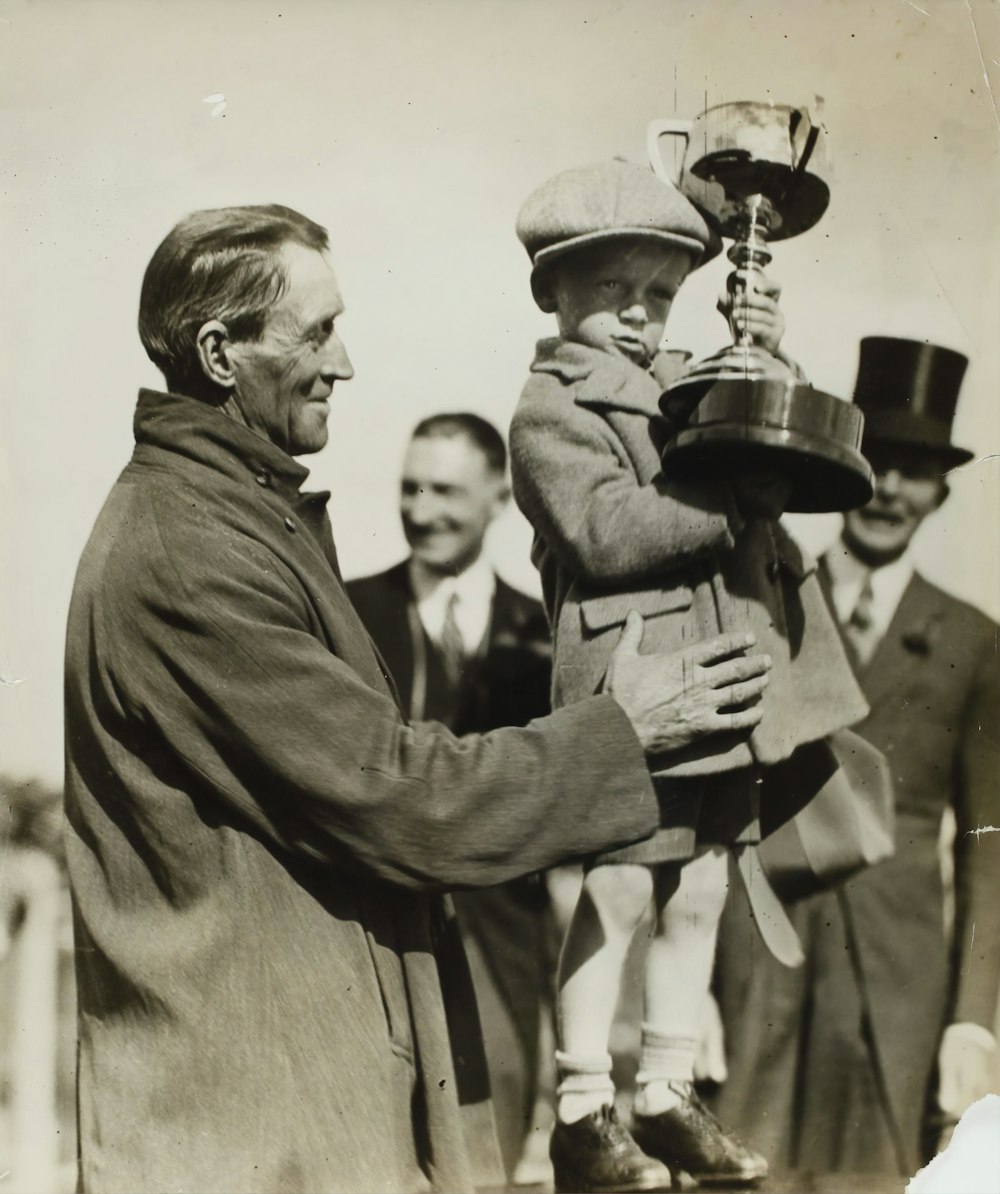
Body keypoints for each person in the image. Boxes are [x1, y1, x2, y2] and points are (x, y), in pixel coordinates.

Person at [62, 203, 775, 1194]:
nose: (345, 363)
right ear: (221, 353)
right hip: (255, 1129)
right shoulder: (190, 551)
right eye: (316, 332)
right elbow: (400, 796)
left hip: (292, 1103)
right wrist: (625, 731)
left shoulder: (226, 515)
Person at [508, 160, 869, 1192]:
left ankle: (664, 1088)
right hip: (635, 686)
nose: (638, 316)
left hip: (715, 680)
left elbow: (753, 421)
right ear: (552, 295)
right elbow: (605, 532)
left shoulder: (676, 387)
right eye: (610, 292)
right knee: (621, 889)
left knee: (703, 883)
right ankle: (582, 1105)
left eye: (660, 296)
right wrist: (731, 502)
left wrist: (761, 345)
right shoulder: (550, 410)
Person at [712, 336, 1000, 1177]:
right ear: (845, 470)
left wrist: (972, 1018)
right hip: (760, 947)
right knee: (742, 1160)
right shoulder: (767, 597)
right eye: (880, 463)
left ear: (941, 491)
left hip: (894, 984)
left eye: (917, 469)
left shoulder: (975, 642)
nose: (894, 489)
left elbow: (989, 846)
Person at [347, 412, 555, 1179]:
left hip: (500, 955)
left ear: (500, 496)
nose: (422, 510)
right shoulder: (347, 611)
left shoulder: (542, 630)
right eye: (410, 489)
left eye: (446, 491)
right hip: (371, 946)